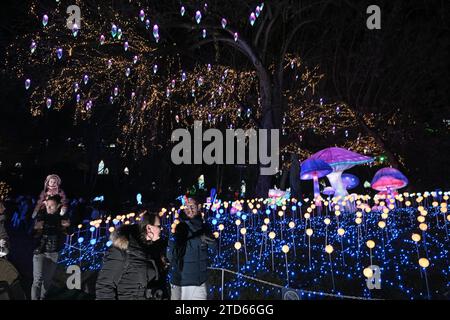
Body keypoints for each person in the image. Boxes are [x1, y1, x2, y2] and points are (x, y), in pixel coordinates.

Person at [95, 211, 169, 300]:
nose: (161, 229)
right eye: (159, 226)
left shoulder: (151, 249)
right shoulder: (121, 250)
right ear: (149, 228)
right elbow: (104, 286)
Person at [167, 196, 217, 300]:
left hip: (200, 282)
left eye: (192, 206)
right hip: (181, 283)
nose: (189, 209)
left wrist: (212, 242)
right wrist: (199, 240)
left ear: (199, 207)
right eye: (186, 206)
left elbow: (214, 251)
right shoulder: (179, 227)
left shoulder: (204, 226)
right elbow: (172, 254)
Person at [31, 194, 70, 300]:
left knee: (47, 280)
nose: (48, 208)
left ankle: (43, 297)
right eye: (47, 205)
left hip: (53, 253)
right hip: (40, 252)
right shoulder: (41, 217)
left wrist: (66, 223)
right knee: (37, 280)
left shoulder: (62, 219)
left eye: (51, 206)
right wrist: (35, 229)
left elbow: (70, 231)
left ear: (58, 206)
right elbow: (31, 234)